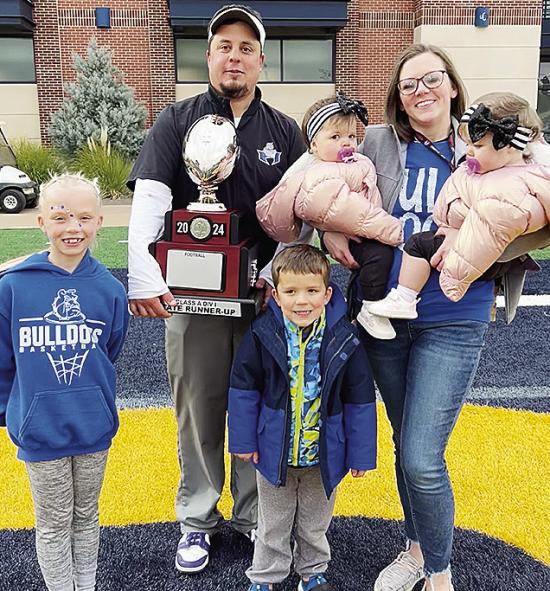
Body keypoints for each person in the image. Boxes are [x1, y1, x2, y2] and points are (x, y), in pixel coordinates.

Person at [322, 44, 549, 591]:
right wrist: (328, 226)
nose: (419, 90)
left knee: (423, 455)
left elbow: (536, 204)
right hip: (384, 314)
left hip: (455, 312)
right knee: (405, 443)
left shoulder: (495, 144)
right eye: (407, 84)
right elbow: (320, 172)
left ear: (452, 86)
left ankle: (440, 572)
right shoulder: (377, 141)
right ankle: (416, 549)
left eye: (430, 79)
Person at [126, 3, 305, 573]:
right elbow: (150, 201)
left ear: (260, 60)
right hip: (193, 298)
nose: (235, 56)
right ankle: (198, 518)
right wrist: (143, 274)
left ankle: (255, 517)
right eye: (224, 46)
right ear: (208, 56)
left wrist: (279, 275)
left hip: (261, 299)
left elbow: (303, 212)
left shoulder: (283, 131)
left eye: (246, 48)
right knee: (198, 409)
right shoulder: (176, 120)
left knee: (257, 405)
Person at [0, 173, 128, 591]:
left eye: (84, 217)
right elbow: (4, 360)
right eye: (61, 217)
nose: (73, 227)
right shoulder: (13, 286)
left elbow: (108, 350)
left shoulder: (109, 288)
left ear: (99, 222)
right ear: (40, 223)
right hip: (41, 430)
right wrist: (14, 414)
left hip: (92, 426)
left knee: (87, 516)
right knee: (54, 523)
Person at [227, 244, 377, 591]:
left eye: (311, 291)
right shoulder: (262, 335)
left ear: (327, 293)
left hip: (324, 456)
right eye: (291, 292)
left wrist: (360, 453)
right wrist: (244, 441)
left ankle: (312, 572)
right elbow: (243, 391)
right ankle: (265, 577)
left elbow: (360, 399)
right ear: (276, 296)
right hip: (273, 452)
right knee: (272, 523)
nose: (302, 301)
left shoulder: (344, 338)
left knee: (314, 522)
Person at [368, 92, 550, 324]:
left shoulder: (511, 187)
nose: (470, 151)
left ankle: (404, 297)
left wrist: (455, 273)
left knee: (418, 245)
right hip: (474, 249)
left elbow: (490, 226)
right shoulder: (491, 171)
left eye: (479, 144)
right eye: (469, 144)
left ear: (510, 147)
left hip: (478, 259)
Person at [255, 94, 403, 339]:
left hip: (362, 230)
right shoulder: (316, 171)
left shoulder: (353, 163)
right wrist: (397, 233)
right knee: (380, 256)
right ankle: (370, 308)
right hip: (368, 231)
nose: (346, 143)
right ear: (313, 145)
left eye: (352, 136)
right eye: (335, 137)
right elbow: (338, 210)